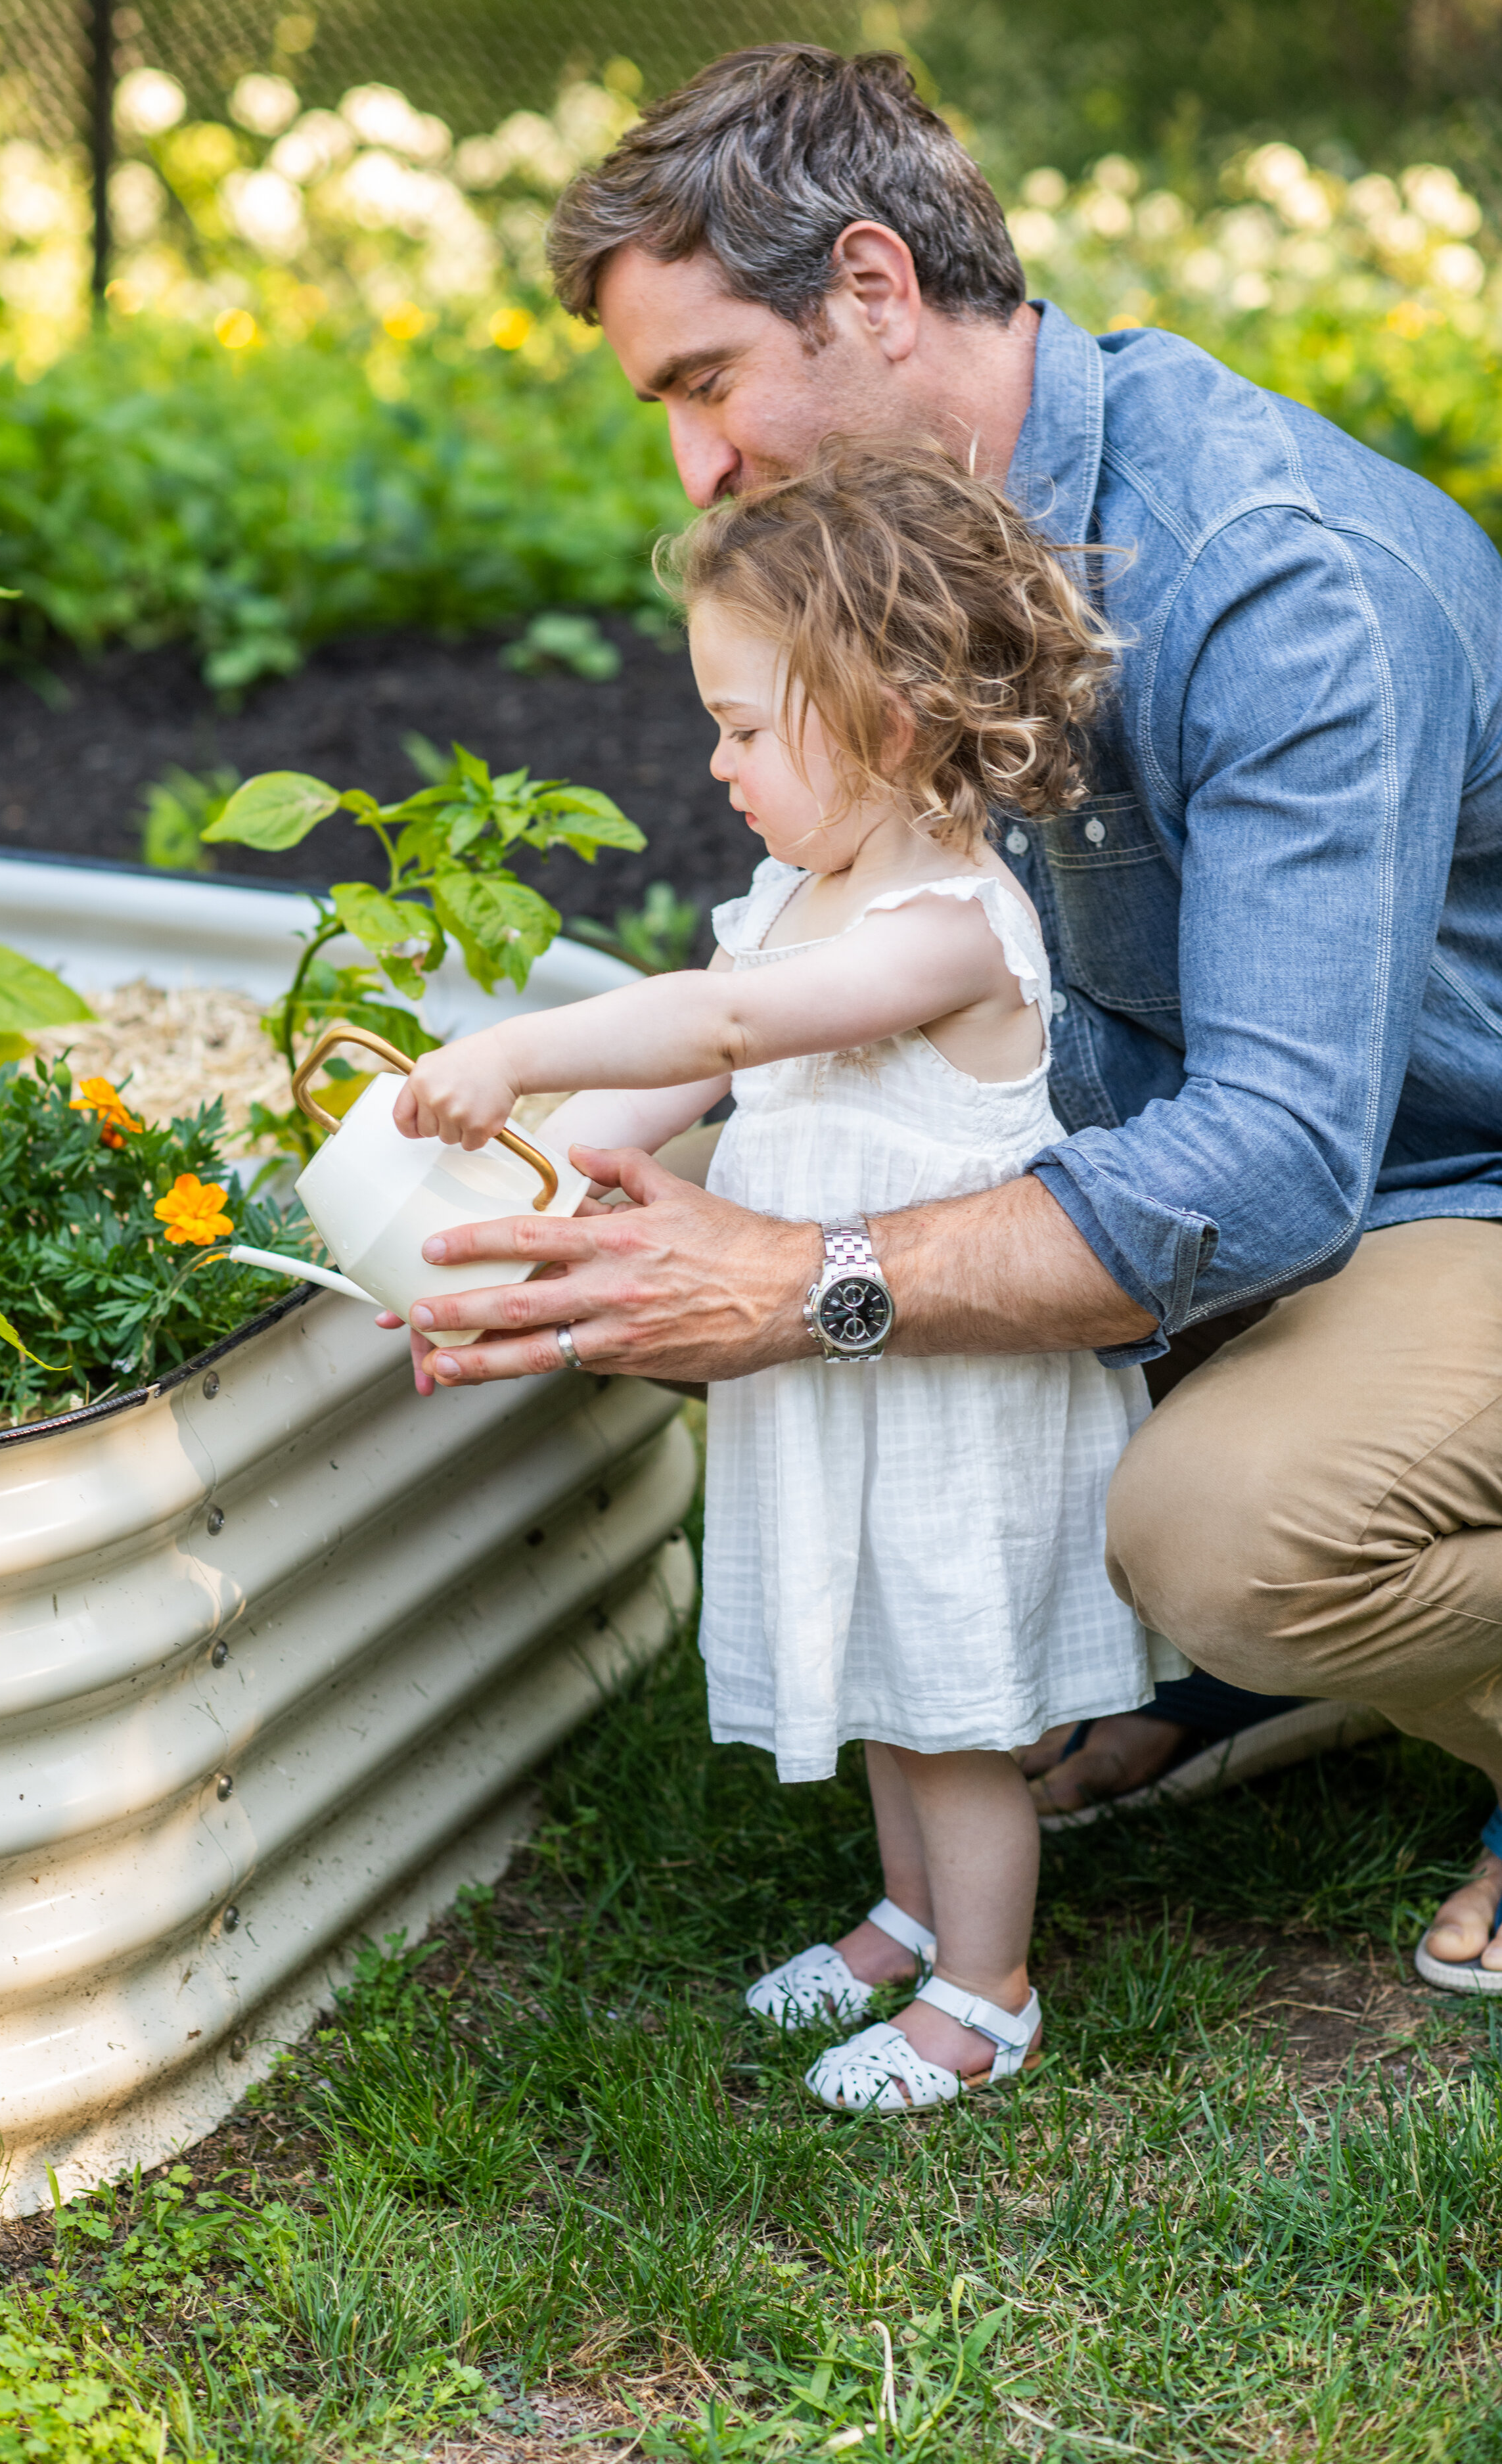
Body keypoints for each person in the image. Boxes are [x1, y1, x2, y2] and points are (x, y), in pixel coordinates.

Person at [396, 47, 1502, 1985]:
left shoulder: (1268, 580)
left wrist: (802, 1275)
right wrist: (638, 1187)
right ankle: (1214, 1675)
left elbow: (1275, 1161)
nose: (694, 465)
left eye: (705, 380)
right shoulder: (909, 560)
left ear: (875, 287)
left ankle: (1252, 1613)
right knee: (640, 1251)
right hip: (1175, 1147)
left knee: (1229, 1530)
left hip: (1442, 1179)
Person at [395, 437, 1174, 2107]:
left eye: (746, 726)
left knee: (951, 1701)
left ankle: (986, 1989)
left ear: (884, 721)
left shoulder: (951, 927)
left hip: (951, 1397)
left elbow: (730, 1028)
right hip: (840, 1386)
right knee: (884, 1666)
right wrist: (506, 1218)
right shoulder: (794, 899)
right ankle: (905, 1915)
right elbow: (669, 1091)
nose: (716, 760)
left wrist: (512, 1045)